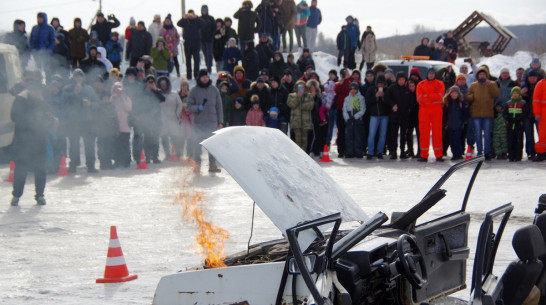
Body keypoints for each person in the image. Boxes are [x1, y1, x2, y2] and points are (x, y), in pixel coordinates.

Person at [10, 78, 57, 206]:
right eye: (35, 91)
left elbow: (48, 117)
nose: (38, 93)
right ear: (30, 91)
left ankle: (40, 195)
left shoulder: (42, 102)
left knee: (40, 170)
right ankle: (16, 196)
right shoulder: (20, 100)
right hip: (23, 142)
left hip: (39, 141)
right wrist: (32, 120)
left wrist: (51, 121)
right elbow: (14, 117)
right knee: (21, 170)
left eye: (39, 91)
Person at [62, 69, 100, 173]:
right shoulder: (68, 88)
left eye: (80, 76)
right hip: (73, 120)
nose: (78, 78)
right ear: (73, 77)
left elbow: (97, 103)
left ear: (83, 78)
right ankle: (73, 165)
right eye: (76, 76)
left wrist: (90, 104)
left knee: (89, 144)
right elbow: (64, 99)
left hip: (87, 120)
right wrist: (74, 93)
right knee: (74, 144)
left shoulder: (89, 89)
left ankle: (91, 165)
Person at [187, 69, 224, 173]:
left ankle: (212, 165)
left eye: (207, 77)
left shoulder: (214, 90)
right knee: (197, 146)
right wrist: (197, 108)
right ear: (200, 78)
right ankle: (197, 166)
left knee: (212, 146)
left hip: (212, 123)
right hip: (198, 123)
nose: (205, 79)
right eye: (203, 77)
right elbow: (188, 106)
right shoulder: (193, 91)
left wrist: (220, 121)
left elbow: (219, 107)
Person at [465, 66, 500, 160]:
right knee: (478, 134)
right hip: (476, 114)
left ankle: (487, 153)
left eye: (484, 74)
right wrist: (473, 97)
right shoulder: (473, 85)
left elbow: (496, 94)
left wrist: (490, 85)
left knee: (487, 134)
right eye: (480, 74)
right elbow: (467, 96)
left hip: (488, 114)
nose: (482, 75)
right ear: (478, 75)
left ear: (487, 75)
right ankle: (479, 153)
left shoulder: (492, 83)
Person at [416, 68, 445, 162]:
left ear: (435, 74)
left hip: (436, 111)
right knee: (424, 132)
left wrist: (427, 96)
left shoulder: (440, 83)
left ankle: (439, 155)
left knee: (437, 132)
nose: (431, 75)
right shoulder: (421, 84)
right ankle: (423, 155)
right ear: (427, 74)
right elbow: (419, 98)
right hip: (424, 111)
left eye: (433, 73)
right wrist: (433, 96)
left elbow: (440, 96)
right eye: (430, 73)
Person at [385, 72, 412, 159]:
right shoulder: (392, 88)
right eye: (400, 79)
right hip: (394, 115)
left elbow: (410, 102)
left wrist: (408, 110)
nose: (401, 81)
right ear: (397, 80)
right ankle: (393, 151)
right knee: (394, 134)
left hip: (404, 116)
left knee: (403, 135)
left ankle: (402, 151)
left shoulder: (407, 89)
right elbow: (386, 97)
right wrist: (392, 105)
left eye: (403, 79)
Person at [157, 76, 183, 160]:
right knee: (164, 137)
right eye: (161, 84)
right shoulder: (158, 95)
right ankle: (167, 154)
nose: (163, 85)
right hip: (162, 119)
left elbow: (179, 104)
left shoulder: (174, 94)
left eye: (165, 83)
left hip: (173, 118)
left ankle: (177, 153)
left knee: (175, 136)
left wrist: (177, 114)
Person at [365, 75, 390, 159]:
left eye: (382, 84)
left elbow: (390, 103)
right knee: (372, 134)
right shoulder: (371, 90)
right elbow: (367, 102)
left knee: (382, 135)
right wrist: (375, 97)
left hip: (384, 116)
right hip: (374, 115)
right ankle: (370, 152)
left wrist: (383, 97)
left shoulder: (387, 91)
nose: (380, 85)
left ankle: (380, 151)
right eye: (379, 83)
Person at [109, 82, 132, 168]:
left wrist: (122, 98)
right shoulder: (112, 98)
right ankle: (117, 161)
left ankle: (127, 161)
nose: (118, 90)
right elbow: (110, 107)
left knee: (125, 144)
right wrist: (114, 98)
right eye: (116, 88)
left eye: (119, 88)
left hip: (125, 124)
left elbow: (128, 108)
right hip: (115, 125)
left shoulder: (126, 98)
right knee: (116, 144)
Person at [177, 10, 205, 80]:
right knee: (188, 60)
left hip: (196, 42)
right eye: (189, 14)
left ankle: (196, 75)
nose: (190, 16)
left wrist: (197, 17)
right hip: (187, 42)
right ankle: (189, 76)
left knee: (196, 59)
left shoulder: (197, 20)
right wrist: (184, 18)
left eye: (192, 14)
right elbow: (178, 24)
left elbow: (204, 24)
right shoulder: (185, 21)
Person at [443, 86, 468, 160]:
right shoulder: (447, 103)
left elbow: (466, 113)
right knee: (451, 141)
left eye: (455, 93)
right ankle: (454, 154)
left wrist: (462, 121)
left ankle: (458, 153)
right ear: (450, 94)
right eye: (453, 93)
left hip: (458, 125)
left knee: (457, 140)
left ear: (458, 94)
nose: (454, 94)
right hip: (450, 125)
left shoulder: (461, 103)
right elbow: (444, 114)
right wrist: (446, 122)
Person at [287, 80, 314, 151]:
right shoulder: (291, 96)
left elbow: (311, 105)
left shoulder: (309, 95)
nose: (302, 88)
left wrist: (301, 106)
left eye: (303, 87)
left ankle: (304, 155)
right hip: (296, 122)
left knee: (305, 141)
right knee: (297, 140)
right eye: (300, 87)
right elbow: (291, 105)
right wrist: (298, 96)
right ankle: (297, 155)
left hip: (306, 122)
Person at [503, 86, 528, 162]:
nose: (515, 95)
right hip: (510, 124)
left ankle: (518, 156)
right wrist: (509, 118)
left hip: (519, 124)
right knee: (510, 140)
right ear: (512, 94)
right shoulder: (508, 103)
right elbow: (505, 113)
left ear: (519, 94)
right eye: (514, 93)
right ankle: (511, 155)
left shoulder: (523, 103)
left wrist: (518, 118)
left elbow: (525, 113)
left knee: (519, 140)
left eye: (517, 93)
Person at [343, 81, 365, 158]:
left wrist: (355, 117)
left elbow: (363, 109)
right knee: (349, 136)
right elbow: (344, 110)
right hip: (349, 119)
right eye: (351, 89)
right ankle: (349, 152)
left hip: (357, 119)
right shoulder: (346, 99)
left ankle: (358, 152)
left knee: (357, 136)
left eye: (354, 89)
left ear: (357, 89)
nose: (353, 90)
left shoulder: (361, 98)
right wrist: (347, 118)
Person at [200, 5, 216, 73]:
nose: (204, 11)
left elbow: (214, 27)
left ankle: (209, 68)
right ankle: (207, 65)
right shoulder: (199, 19)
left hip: (209, 39)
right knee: (205, 53)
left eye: (205, 10)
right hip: (202, 39)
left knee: (209, 54)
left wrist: (212, 35)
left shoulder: (211, 18)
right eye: (203, 10)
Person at [533, 78, 546, 161]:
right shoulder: (540, 84)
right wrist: (537, 113)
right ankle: (541, 153)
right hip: (543, 114)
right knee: (542, 134)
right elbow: (536, 100)